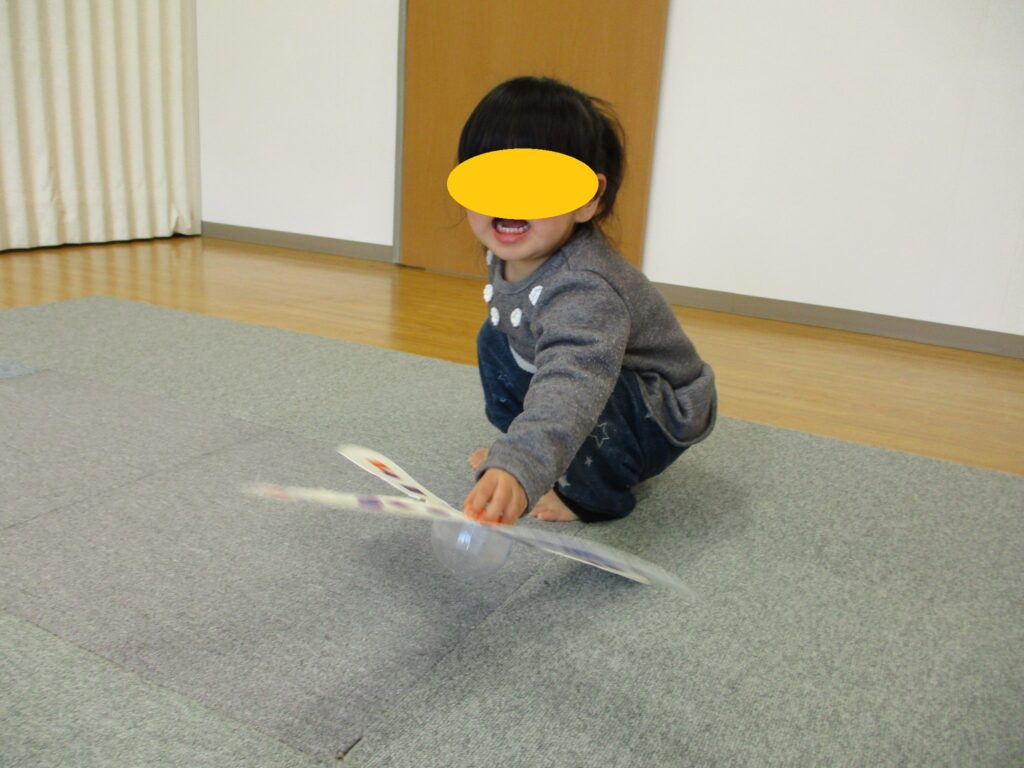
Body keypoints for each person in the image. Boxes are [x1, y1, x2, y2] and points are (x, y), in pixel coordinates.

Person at [459, 76, 716, 526]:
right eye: (489, 180)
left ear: (587, 199)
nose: (508, 202)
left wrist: (523, 463)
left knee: (579, 387)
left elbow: (573, 382)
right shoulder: (510, 251)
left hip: (658, 411)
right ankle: (530, 452)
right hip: (594, 379)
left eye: (535, 184)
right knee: (495, 340)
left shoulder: (585, 287)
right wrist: (519, 454)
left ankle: (590, 496)